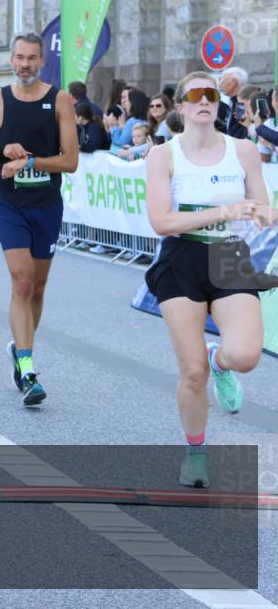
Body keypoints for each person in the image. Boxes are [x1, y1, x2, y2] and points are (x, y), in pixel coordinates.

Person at [144, 71, 276, 487]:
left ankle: (223, 363)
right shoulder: (163, 155)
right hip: (181, 257)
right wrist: (221, 211)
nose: (205, 100)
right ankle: (197, 452)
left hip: (228, 254)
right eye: (196, 95)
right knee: (191, 371)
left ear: (219, 104)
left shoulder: (243, 151)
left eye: (212, 94)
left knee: (245, 355)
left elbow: (263, 208)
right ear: (180, 107)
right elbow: (162, 221)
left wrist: (259, 212)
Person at [0, 33, 79, 406]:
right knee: (22, 279)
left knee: (38, 288)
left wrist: (29, 162)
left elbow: (71, 161)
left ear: (41, 61)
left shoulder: (60, 99)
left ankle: (20, 347)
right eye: (19, 57)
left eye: (32, 58)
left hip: (46, 203)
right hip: (9, 203)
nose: (25, 64)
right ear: (11, 60)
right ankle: (28, 369)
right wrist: (1, 151)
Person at [107, 87, 149, 152]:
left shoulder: (133, 121)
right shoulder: (146, 119)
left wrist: (113, 126)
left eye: (127, 101)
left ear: (133, 103)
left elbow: (120, 142)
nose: (125, 103)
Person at [252, 90, 277, 163]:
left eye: (271, 99)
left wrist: (260, 127)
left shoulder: (268, 125)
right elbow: (262, 158)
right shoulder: (270, 123)